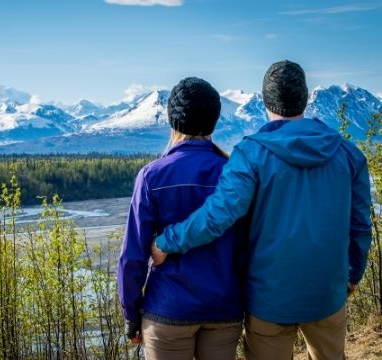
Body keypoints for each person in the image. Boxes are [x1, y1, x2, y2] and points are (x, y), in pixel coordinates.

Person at [151, 60, 373, 360]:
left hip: (269, 299)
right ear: (305, 99)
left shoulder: (251, 153)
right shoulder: (348, 153)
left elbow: (218, 216)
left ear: (266, 101)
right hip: (327, 292)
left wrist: (167, 242)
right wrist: (352, 275)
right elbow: (359, 225)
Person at [117, 77, 245, 360]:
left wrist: (131, 314)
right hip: (223, 308)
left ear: (172, 120)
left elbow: (133, 256)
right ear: (213, 120)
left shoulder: (152, 176)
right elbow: (246, 246)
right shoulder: (235, 173)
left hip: (168, 309)